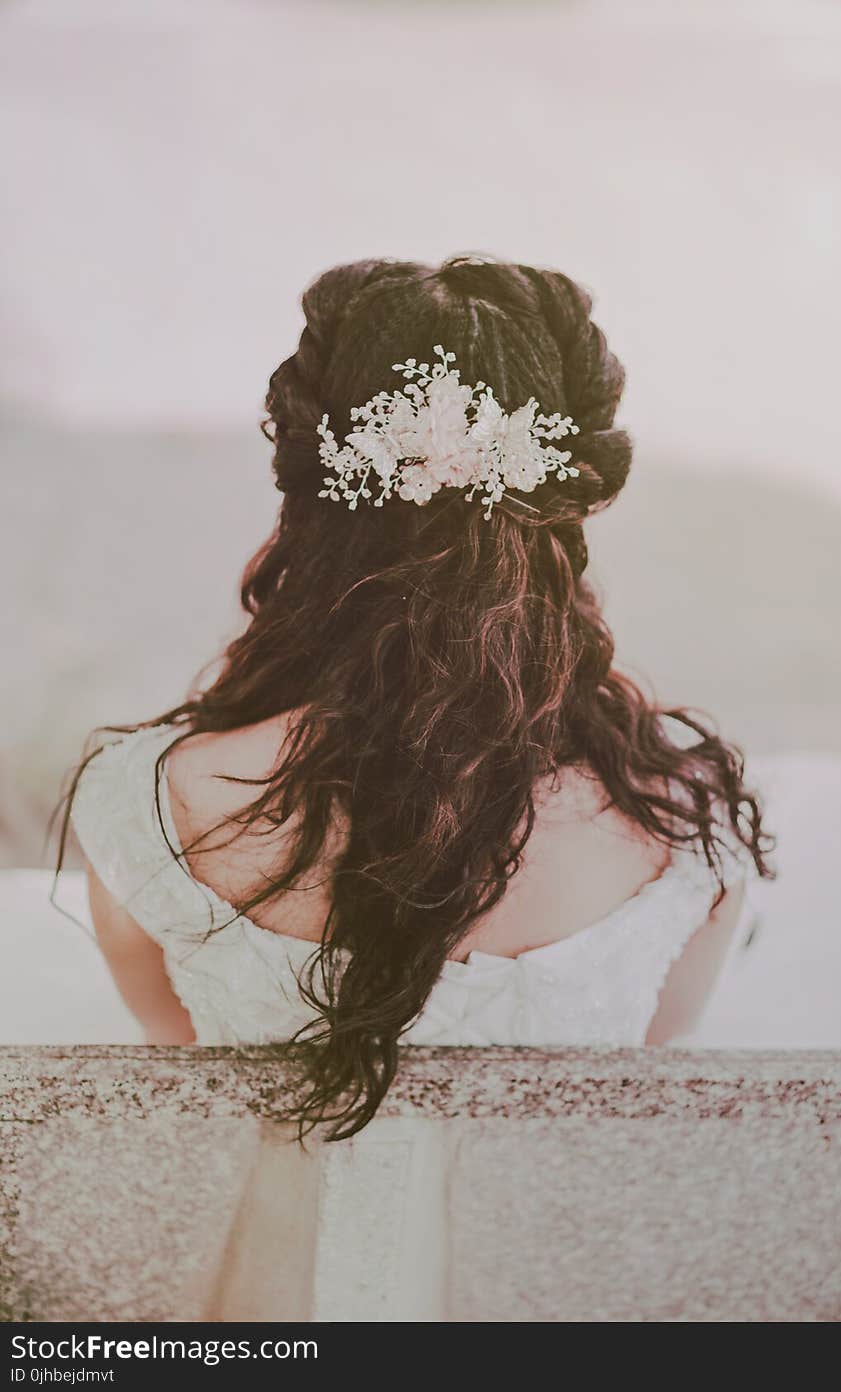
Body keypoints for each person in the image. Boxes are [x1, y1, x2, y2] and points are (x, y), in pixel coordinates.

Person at [62, 256, 771, 1142]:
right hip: (560, 1276)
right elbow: (649, 1064)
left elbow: (181, 1056)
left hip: (273, 1280)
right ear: (567, 500)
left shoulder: (150, 803)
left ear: (312, 491)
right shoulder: (682, 811)